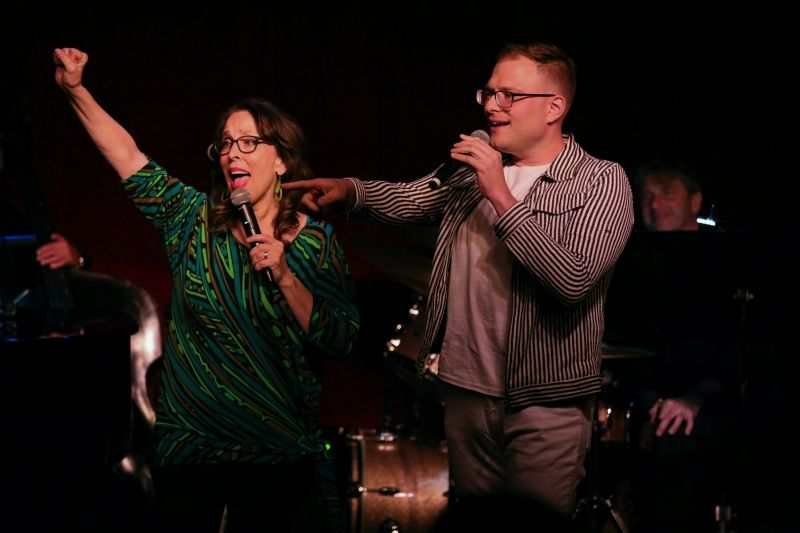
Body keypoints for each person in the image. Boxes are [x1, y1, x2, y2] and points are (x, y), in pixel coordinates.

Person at [283, 42, 634, 530]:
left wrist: (500, 193)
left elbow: (571, 279)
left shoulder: (599, 181)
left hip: (544, 404)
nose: (491, 106)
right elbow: (414, 200)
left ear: (555, 107)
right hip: (467, 393)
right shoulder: (475, 171)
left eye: (508, 95)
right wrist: (350, 191)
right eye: (488, 93)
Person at [53, 47, 360, 533]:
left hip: (276, 450)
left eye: (248, 142)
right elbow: (127, 154)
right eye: (224, 144)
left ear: (282, 161)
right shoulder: (191, 220)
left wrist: (284, 275)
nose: (232, 153)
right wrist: (75, 90)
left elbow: (341, 339)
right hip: (191, 445)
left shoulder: (317, 244)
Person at [625, 161, 738, 532]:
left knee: (676, 448)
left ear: (695, 201)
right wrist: (649, 400)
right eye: (647, 197)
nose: (655, 205)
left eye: (667, 193)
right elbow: (627, 345)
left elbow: (740, 348)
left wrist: (694, 399)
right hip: (649, 399)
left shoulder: (728, 261)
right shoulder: (633, 263)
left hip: (713, 401)